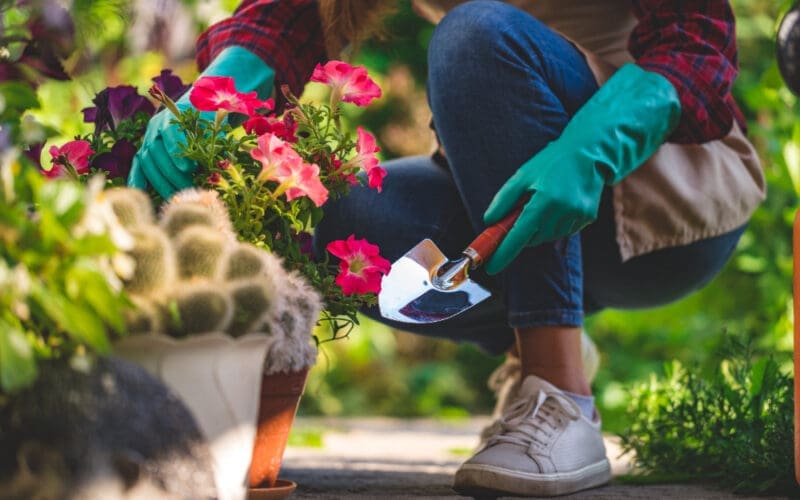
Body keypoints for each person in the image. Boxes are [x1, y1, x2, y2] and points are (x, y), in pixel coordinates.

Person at [128, 0, 766, 496]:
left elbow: (696, 46)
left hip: (660, 197)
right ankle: (536, 331)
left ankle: (559, 393)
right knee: (327, 214)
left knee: (475, 35)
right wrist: (215, 94)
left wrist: (595, 146)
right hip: (498, 196)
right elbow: (295, 16)